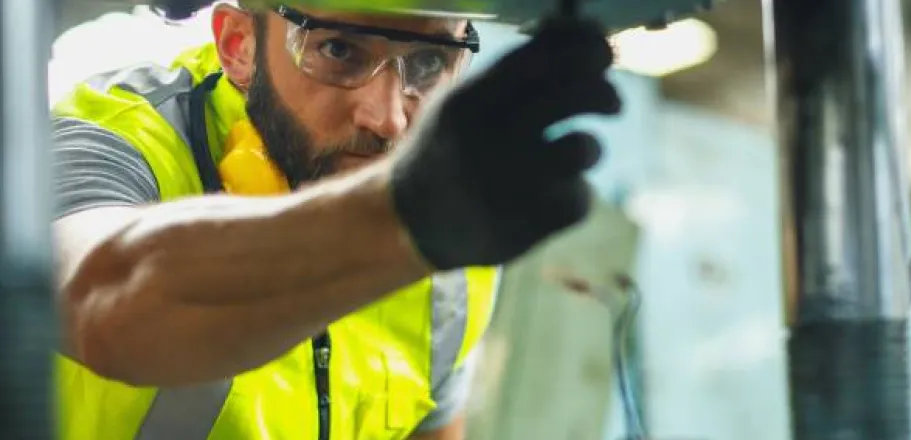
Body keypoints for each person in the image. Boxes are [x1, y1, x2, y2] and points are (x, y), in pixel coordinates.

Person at [50, 1, 620, 439]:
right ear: (238, 43)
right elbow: (101, 299)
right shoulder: (115, 141)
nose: (389, 118)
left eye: (428, 63)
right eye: (339, 51)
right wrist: (398, 217)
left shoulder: (451, 245)